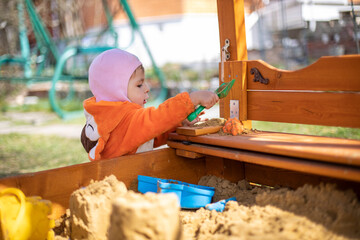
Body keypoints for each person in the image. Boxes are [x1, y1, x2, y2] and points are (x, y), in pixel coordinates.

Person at [81, 49, 219, 161]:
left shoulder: (108, 117)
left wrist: (179, 123)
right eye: (139, 84)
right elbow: (156, 118)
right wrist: (191, 99)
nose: (146, 87)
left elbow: (149, 135)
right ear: (116, 89)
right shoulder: (123, 119)